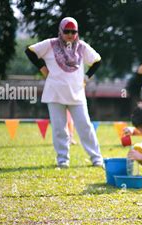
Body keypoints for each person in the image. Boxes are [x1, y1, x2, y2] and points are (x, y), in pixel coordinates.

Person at [25, 17, 103, 168]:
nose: (70, 35)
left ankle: (96, 158)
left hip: (77, 94)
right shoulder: (50, 44)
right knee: (59, 128)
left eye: (73, 32)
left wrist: (86, 77)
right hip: (54, 93)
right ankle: (63, 159)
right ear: (60, 31)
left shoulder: (82, 46)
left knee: (85, 126)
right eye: (66, 31)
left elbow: (97, 61)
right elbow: (29, 51)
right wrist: (42, 68)